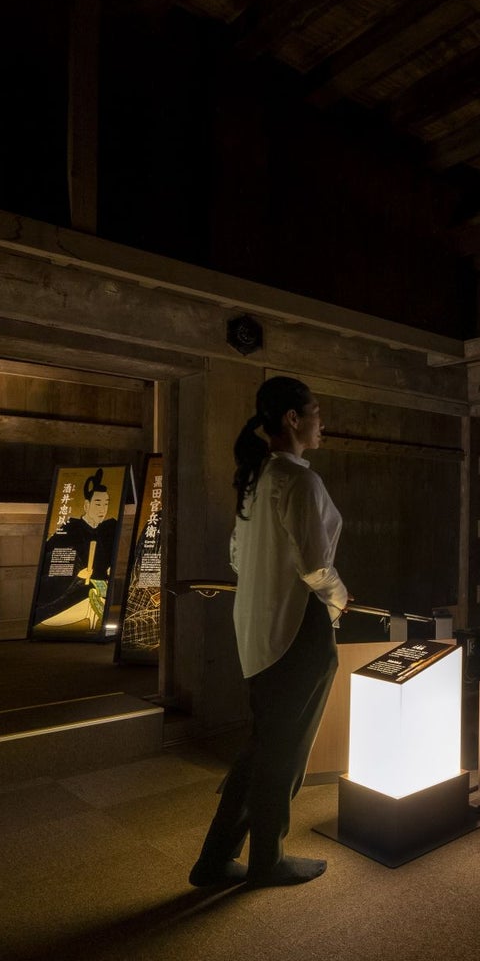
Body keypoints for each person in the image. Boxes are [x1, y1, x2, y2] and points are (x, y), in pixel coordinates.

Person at [190, 376, 350, 888]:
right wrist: (339, 606)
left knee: (263, 747)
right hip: (297, 630)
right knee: (285, 753)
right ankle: (267, 860)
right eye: (316, 411)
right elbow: (315, 565)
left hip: (258, 630)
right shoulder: (299, 480)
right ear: (292, 419)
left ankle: (217, 859)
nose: (322, 421)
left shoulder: (258, 477)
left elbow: (236, 557)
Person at [32, 467, 122, 632]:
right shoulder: (71, 528)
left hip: (100, 587)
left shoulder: (109, 529)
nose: (102, 509)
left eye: (106, 504)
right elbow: (50, 559)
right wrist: (76, 574)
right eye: (98, 503)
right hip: (74, 587)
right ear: (87, 505)